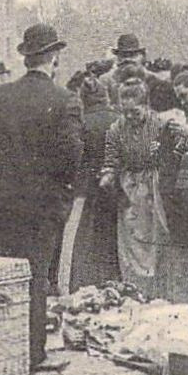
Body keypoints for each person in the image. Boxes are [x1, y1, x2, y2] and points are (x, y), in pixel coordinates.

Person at [0, 23, 83, 373]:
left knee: (5, 276)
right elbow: (72, 156)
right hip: (42, 208)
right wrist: (61, 191)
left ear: (26, 58)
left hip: (0, 204)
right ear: (53, 57)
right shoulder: (64, 100)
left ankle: (2, 344)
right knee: (35, 276)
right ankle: (32, 352)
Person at [100, 66, 171, 293]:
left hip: (153, 185)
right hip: (129, 186)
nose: (130, 117)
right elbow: (111, 157)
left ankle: (157, 284)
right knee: (131, 235)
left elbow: (170, 156)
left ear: (146, 106)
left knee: (155, 232)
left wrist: (161, 154)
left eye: (136, 112)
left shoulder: (160, 124)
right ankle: (135, 284)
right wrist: (109, 174)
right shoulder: (115, 129)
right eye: (126, 112)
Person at [66, 71, 121, 291]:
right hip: (114, 187)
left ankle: (82, 281)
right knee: (111, 235)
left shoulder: (82, 123)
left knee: (84, 236)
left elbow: (75, 156)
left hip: (86, 188)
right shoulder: (118, 120)